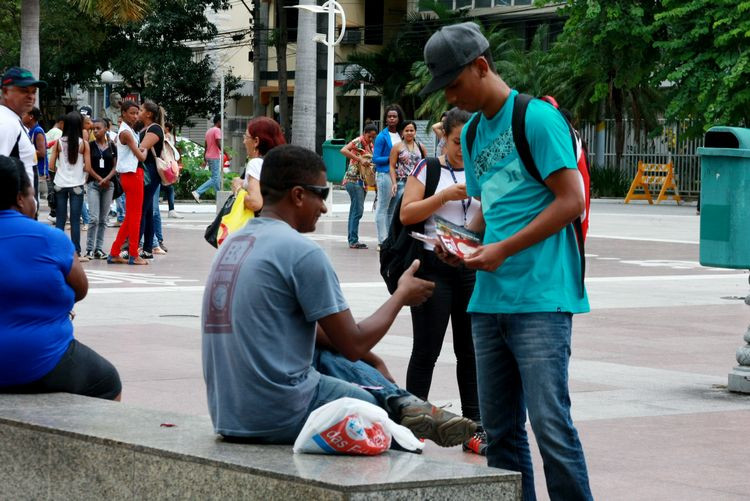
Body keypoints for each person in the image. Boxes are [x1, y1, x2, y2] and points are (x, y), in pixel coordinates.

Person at [202, 144, 477, 447]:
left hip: (230, 415)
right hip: (282, 413)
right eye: (322, 194)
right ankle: (398, 405)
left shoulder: (233, 242)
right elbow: (354, 341)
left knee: (327, 355)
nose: (323, 207)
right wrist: (401, 294)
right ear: (297, 195)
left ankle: (401, 401)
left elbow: (326, 338)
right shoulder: (300, 252)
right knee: (389, 427)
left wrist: (370, 360)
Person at [421, 22, 593, 500]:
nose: (450, 97)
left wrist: (502, 249)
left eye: (454, 84)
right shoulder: (473, 132)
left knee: (551, 427)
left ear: (481, 66)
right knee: (501, 433)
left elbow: (570, 201)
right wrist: (457, 243)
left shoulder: (536, 119)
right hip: (490, 300)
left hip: (541, 297)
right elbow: (486, 209)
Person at [399, 107, 484, 455]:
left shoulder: (483, 171)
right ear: (443, 138)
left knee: (470, 352)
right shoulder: (428, 168)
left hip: (470, 266)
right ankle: (413, 427)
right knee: (427, 349)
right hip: (433, 265)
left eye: (468, 140)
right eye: (454, 140)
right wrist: (443, 197)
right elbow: (407, 214)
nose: (461, 147)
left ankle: (475, 429)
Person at [0, 155, 121, 401]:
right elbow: (81, 289)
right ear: (20, 198)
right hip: (42, 359)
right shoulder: (50, 239)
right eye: (33, 194)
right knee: (108, 382)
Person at [108, 100, 148, 265]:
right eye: (132, 113)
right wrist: (144, 150)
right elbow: (141, 157)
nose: (135, 116)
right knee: (135, 216)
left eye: (136, 113)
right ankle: (133, 254)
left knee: (131, 216)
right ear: (123, 114)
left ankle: (115, 252)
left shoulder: (127, 130)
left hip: (131, 174)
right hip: (132, 174)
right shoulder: (126, 132)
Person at [49, 111, 92, 261]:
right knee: (75, 219)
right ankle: (76, 252)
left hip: (60, 183)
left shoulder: (59, 143)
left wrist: (60, 171)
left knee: (60, 220)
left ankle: (57, 251)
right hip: (77, 184)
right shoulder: (83, 144)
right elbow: (88, 167)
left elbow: (51, 165)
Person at [233, 116, 286, 213]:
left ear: (256, 141)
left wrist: (238, 188)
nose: (244, 141)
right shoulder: (280, 163)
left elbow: (255, 203)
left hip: (261, 224)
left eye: (246, 137)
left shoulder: (256, 163)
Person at [0, 67, 42, 184]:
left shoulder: (13, 120)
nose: (31, 96)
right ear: (5, 92)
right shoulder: (5, 122)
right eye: (24, 90)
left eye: (34, 91)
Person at [339, 123, 377, 249]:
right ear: (365, 133)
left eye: (373, 137)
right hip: (353, 180)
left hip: (362, 182)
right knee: (358, 211)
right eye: (369, 136)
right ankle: (353, 240)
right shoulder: (358, 141)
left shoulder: (370, 145)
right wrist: (359, 159)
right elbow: (343, 150)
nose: (371, 139)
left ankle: (352, 239)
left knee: (354, 210)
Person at [85, 119, 117, 260]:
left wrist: (107, 179)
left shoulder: (112, 146)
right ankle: (89, 249)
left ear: (106, 129)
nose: (95, 131)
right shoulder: (90, 146)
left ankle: (99, 248)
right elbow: (88, 166)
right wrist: (99, 179)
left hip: (109, 185)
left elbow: (116, 166)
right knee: (93, 218)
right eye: (93, 129)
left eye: (98, 128)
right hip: (94, 185)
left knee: (104, 219)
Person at [372, 104, 404, 246]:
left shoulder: (402, 134)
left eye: (394, 116)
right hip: (385, 175)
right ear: (385, 119)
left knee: (393, 210)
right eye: (389, 116)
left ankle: (390, 240)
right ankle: (382, 241)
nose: (392, 119)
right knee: (382, 208)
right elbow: (375, 158)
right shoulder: (382, 136)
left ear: (399, 118)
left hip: (400, 177)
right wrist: (392, 157)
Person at [388, 120, 427, 203]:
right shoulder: (397, 147)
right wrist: (394, 183)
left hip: (417, 182)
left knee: (414, 207)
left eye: (411, 130)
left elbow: (425, 165)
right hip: (401, 182)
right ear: (402, 132)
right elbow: (392, 166)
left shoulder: (421, 146)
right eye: (407, 130)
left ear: (415, 132)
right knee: (398, 208)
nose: (409, 133)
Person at [192, 114, 222, 203]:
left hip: (209, 156)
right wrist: (226, 153)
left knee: (216, 178)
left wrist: (205, 158)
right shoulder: (217, 130)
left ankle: (219, 197)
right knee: (215, 178)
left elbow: (206, 145)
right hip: (214, 156)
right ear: (219, 121)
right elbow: (218, 142)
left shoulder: (209, 131)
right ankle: (197, 192)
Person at [23, 106, 47, 216]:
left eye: (25, 114)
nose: (22, 116)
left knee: (33, 197)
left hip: (36, 169)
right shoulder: (29, 130)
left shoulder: (38, 131)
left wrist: (25, 149)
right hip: (31, 167)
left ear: (31, 117)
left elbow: (42, 152)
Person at [45, 115, 64, 223]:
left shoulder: (49, 132)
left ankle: (53, 212)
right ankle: (55, 213)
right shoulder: (58, 132)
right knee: (56, 190)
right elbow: (56, 150)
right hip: (55, 165)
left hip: (48, 164)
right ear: (61, 122)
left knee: (51, 189)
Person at [163, 121, 182, 219]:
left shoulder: (166, 136)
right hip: (169, 163)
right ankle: (171, 209)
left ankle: (171, 209)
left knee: (168, 187)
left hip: (166, 163)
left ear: (167, 128)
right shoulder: (171, 136)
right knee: (169, 187)